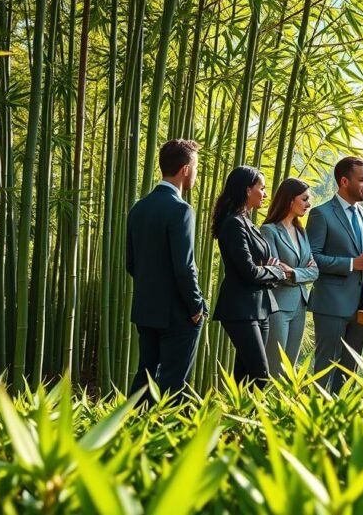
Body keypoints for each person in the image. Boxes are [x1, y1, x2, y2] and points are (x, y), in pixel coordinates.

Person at [126, 139, 206, 404]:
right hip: (177, 312)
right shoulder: (181, 210)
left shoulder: (139, 208)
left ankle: (128, 433)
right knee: (174, 383)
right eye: (195, 167)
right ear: (185, 169)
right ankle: (167, 440)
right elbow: (184, 267)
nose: (195, 173)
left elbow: (131, 263)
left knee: (144, 377)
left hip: (146, 308)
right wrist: (196, 306)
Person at [307, 156, 363, 393]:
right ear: (344, 181)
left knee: (350, 372)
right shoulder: (321, 214)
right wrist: (352, 263)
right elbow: (313, 259)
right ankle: (315, 420)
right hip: (331, 305)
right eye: (362, 180)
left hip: (361, 306)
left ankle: (343, 420)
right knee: (324, 368)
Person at [211, 166, 290, 387]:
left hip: (260, 306)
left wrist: (267, 269)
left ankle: (238, 419)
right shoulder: (233, 224)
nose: (265, 194)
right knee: (261, 374)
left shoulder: (247, 222)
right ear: (248, 190)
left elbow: (258, 268)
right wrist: (277, 271)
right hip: (240, 309)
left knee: (244, 375)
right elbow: (249, 271)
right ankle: (254, 419)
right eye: (261, 188)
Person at [260, 178, 319, 376]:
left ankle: (284, 406)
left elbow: (315, 270)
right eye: (304, 199)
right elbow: (275, 272)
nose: (308, 204)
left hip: (300, 306)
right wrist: (300, 272)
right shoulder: (269, 230)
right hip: (278, 308)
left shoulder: (301, 232)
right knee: (275, 368)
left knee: (290, 369)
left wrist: (293, 272)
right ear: (289, 200)